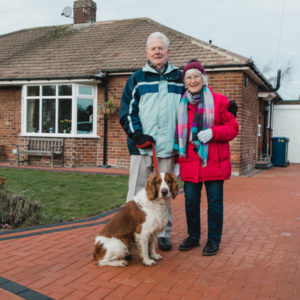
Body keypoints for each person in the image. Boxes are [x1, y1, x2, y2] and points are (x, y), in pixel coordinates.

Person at [119, 32, 184, 251]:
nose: (157, 51)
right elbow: (127, 111)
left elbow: (196, 100)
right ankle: (129, 232)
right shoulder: (137, 78)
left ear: (168, 52)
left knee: (164, 194)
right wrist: (137, 134)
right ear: (147, 53)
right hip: (141, 147)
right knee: (136, 193)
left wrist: (224, 107)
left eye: (161, 48)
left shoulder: (179, 77)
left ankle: (163, 233)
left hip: (166, 149)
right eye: (153, 48)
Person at [174, 59, 239, 256]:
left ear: (203, 78)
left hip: (213, 162)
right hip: (189, 162)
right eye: (188, 77)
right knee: (191, 203)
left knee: (215, 203)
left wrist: (213, 132)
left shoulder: (219, 100)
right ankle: (193, 237)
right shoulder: (181, 104)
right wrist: (177, 161)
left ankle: (213, 241)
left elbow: (233, 128)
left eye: (196, 76)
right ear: (185, 82)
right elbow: (177, 134)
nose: (193, 81)